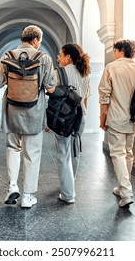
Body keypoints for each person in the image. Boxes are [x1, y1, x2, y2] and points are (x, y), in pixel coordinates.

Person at [0, 25, 57, 208]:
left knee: (12, 147)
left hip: (12, 110)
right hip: (34, 112)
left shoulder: (7, 57)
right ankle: (27, 196)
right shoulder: (43, 58)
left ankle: (12, 186)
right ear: (35, 40)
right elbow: (51, 86)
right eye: (40, 42)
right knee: (32, 153)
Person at [98, 39, 135, 208]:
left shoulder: (111, 67)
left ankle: (126, 193)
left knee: (117, 153)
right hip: (134, 119)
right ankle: (121, 187)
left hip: (117, 117)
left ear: (120, 50)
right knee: (127, 153)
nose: (114, 53)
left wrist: (102, 119)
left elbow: (104, 96)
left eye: (115, 50)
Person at [53, 43, 91, 204]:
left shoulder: (59, 72)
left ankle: (68, 194)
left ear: (68, 57)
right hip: (81, 114)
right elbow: (86, 97)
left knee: (63, 152)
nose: (58, 58)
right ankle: (70, 181)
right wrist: (83, 115)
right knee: (75, 149)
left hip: (63, 116)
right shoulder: (85, 73)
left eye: (60, 55)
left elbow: (53, 96)